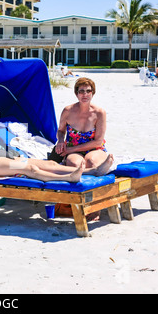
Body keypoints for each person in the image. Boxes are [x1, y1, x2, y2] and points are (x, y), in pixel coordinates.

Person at [0, 108, 113, 183]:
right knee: (30, 169)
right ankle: (69, 177)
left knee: (51, 163)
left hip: (5, 155)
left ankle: (93, 170)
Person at [55, 77, 114, 219]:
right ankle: (77, 204)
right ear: (76, 94)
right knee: (76, 164)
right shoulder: (68, 110)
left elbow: (98, 141)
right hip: (73, 148)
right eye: (81, 91)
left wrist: (68, 150)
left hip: (94, 148)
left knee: (91, 162)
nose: (85, 94)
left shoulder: (99, 112)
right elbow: (61, 130)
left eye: (88, 91)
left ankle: (94, 206)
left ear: (93, 93)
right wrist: (60, 141)